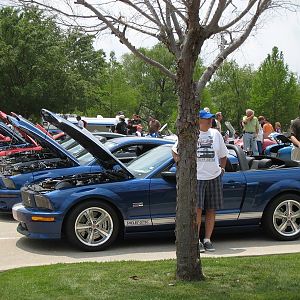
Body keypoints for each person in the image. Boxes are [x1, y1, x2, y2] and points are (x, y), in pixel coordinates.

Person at [172, 109, 228, 253]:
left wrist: (221, 169)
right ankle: (195, 240)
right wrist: (182, 167)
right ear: (198, 121)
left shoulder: (216, 134)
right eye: (207, 119)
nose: (210, 121)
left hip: (214, 176)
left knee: (211, 209)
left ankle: (207, 239)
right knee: (196, 210)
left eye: (211, 119)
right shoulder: (190, 134)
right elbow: (174, 151)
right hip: (197, 177)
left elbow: (223, 154)